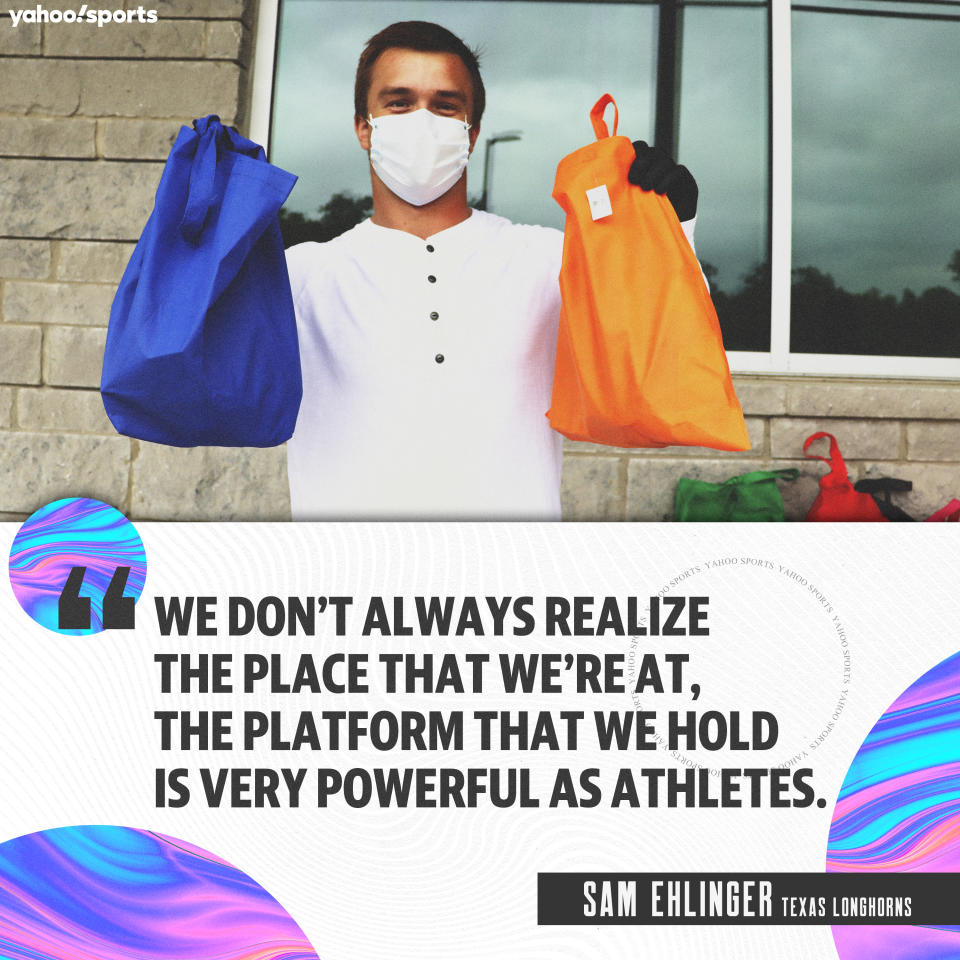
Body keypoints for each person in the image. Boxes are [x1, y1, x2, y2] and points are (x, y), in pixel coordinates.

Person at [285, 20, 700, 520]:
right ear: (363, 127)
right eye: (399, 102)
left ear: (472, 131)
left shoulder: (552, 261)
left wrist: (672, 229)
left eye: (445, 105)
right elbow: (190, 386)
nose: (423, 120)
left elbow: (658, 356)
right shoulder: (299, 276)